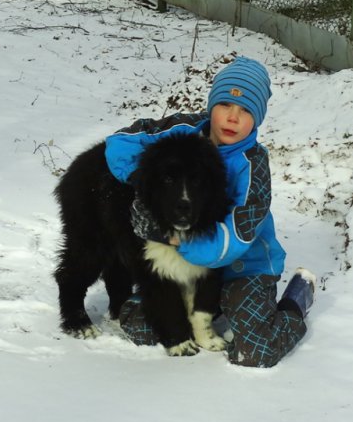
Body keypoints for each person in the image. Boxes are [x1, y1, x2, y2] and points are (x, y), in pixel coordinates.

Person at [105, 56, 315, 367]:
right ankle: (201, 307)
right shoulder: (184, 130)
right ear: (211, 106)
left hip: (243, 267)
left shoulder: (253, 166)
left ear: (257, 120)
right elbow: (119, 143)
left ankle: (297, 300)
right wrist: (143, 181)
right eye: (225, 106)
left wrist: (172, 237)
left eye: (245, 111)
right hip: (184, 269)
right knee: (143, 328)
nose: (232, 118)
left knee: (254, 351)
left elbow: (234, 239)